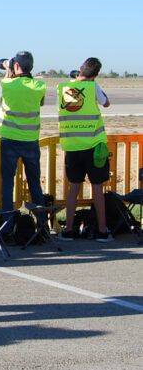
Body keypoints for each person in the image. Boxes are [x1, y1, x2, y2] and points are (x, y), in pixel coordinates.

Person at [58, 57, 112, 241]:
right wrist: (95, 85)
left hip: (72, 147)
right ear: (95, 75)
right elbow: (106, 103)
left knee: (73, 188)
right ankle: (102, 231)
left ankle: (68, 230)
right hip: (93, 146)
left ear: (80, 68)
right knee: (97, 188)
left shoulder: (64, 87)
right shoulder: (93, 87)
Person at [0, 51, 47, 212]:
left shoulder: (7, 84)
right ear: (32, 67)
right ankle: (42, 224)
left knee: (8, 183)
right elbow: (40, 103)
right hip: (31, 139)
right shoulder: (40, 86)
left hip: (10, 139)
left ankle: (7, 223)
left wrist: (7, 75)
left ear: (15, 66)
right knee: (34, 183)